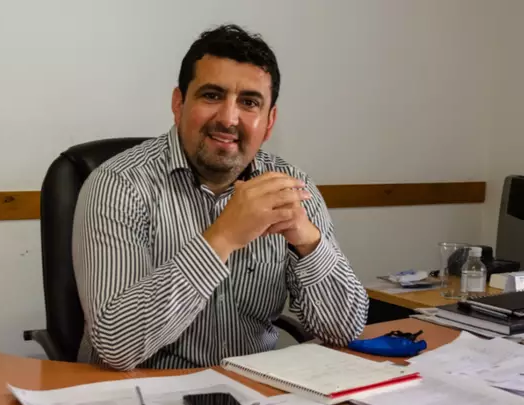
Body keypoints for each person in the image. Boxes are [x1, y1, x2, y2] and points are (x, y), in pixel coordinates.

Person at [72, 23, 369, 371]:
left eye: (249, 102)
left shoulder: (292, 187)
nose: (228, 119)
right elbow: (117, 346)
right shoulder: (119, 184)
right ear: (179, 104)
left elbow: (344, 330)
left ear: (269, 122)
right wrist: (223, 237)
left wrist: (308, 242)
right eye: (212, 96)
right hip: (145, 390)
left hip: (252, 388)